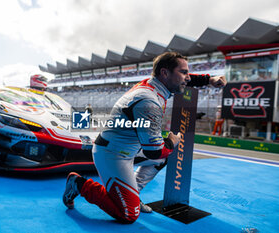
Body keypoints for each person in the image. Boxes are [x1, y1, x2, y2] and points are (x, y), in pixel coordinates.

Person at [62, 52, 227, 223]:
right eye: (184, 72)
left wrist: (209, 79)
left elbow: (183, 78)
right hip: (112, 154)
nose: (187, 78)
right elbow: (154, 152)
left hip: (128, 148)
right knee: (129, 215)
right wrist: (171, 141)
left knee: (165, 158)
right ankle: (79, 184)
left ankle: (133, 194)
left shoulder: (153, 84)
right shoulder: (149, 101)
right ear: (164, 73)